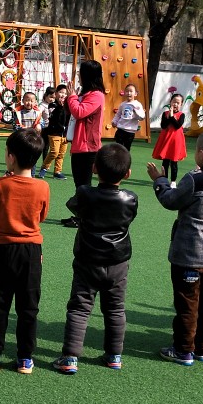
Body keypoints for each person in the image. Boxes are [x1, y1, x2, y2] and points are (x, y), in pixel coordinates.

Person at [146, 130, 203, 365]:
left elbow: (170, 200)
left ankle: (183, 349)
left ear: (202, 154)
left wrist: (159, 181)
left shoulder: (194, 179)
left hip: (188, 253)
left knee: (187, 302)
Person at [51, 143, 138, 374]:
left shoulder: (85, 193)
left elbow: (73, 206)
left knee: (80, 308)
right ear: (127, 173)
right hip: (118, 262)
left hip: (88, 260)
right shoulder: (130, 198)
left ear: (94, 168)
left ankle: (70, 357)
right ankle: (114, 355)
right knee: (115, 309)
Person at [0, 128, 51, 374]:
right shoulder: (43, 187)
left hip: (4, 250)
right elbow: (42, 216)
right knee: (28, 307)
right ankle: (25, 358)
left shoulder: (0, 184)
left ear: (11, 157)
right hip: (32, 251)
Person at [62, 61, 107, 227]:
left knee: (84, 184)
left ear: (87, 75)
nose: (78, 76)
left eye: (81, 73)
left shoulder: (97, 95)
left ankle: (85, 218)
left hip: (88, 146)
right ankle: (80, 216)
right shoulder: (86, 93)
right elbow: (71, 110)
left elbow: (79, 112)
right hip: (79, 144)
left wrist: (72, 96)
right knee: (80, 184)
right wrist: (70, 97)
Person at [151, 93, 187, 182]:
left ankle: (173, 181)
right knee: (165, 161)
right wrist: (169, 116)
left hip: (176, 141)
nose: (175, 104)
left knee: (174, 162)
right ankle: (164, 179)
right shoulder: (165, 114)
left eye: (178, 103)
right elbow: (163, 126)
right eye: (174, 102)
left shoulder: (181, 115)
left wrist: (171, 117)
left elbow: (177, 126)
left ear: (181, 105)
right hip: (166, 140)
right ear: (170, 102)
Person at [39, 83, 70, 179]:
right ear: (56, 93)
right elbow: (54, 116)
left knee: (61, 154)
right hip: (54, 132)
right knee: (54, 152)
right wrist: (61, 106)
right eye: (61, 92)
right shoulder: (53, 105)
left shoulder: (68, 105)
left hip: (64, 134)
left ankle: (57, 171)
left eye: (65, 93)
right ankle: (44, 167)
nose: (63, 95)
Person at [111, 83, 146, 149]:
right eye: (127, 91)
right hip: (121, 129)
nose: (129, 93)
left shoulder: (137, 104)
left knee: (126, 148)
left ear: (135, 94)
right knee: (118, 147)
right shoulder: (122, 104)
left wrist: (136, 112)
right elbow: (118, 114)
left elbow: (142, 117)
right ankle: (118, 155)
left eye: (131, 91)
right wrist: (114, 121)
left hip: (130, 131)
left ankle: (125, 155)